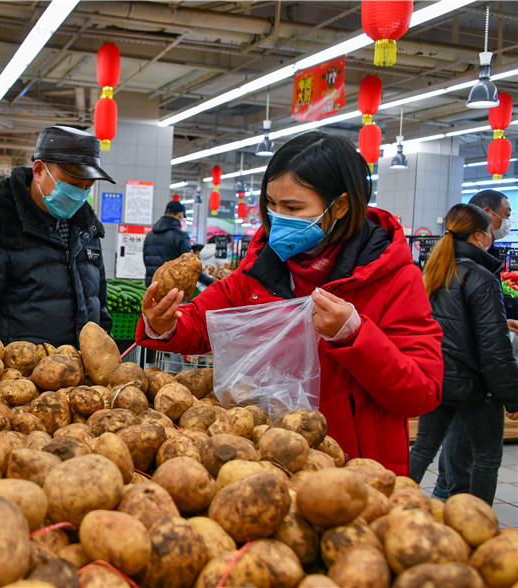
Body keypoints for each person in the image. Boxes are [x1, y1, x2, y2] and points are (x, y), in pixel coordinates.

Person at [137, 131, 444, 476]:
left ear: (340, 205)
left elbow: (421, 392)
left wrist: (354, 336)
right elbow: (200, 319)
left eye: (293, 208)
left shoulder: (393, 278)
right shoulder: (262, 270)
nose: (277, 218)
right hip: (264, 459)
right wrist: (164, 324)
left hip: (354, 471)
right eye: (271, 204)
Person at [0, 126, 115, 351]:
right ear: (39, 170)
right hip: (16, 380)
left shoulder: (87, 232)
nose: (79, 195)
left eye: (87, 187)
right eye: (72, 185)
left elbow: (98, 309)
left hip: (77, 379)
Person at [407, 204, 518, 503]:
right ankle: (475, 522)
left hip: (438, 379)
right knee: (486, 458)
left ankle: (393, 505)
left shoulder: (434, 272)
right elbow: (494, 348)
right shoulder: (482, 278)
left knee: (422, 451)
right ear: (480, 235)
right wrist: (512, 396)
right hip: (475, 388)